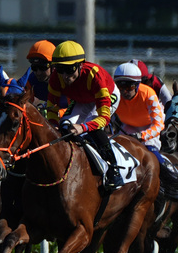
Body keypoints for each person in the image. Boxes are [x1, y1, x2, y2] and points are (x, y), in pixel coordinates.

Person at [47, 40, 123, 189]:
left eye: (69, 70)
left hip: (106, 96)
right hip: (82, 99)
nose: (64, 76)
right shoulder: (56, 78)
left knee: (93, 127)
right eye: (59, 70)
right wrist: (54, 126)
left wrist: (83, 127)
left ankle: (114, 168)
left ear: (81, 65)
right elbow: (52, 110)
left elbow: (104, 119)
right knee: (64, 126)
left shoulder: (95, 76)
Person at [111, 63, 178, 194]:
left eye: (129, 86)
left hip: (148, 128)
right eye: (120, 86)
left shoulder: (148, 93)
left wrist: (142, 136)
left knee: (151, 153)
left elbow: (158, 125)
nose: (124, 91)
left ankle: (170, 180)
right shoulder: (114, 94)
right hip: (127, 127)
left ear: (137, 85)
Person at [9, 40, 68, 111]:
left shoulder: (66, 79)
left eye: (42, 67)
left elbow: (77, 107)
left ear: (54, 66)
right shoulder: (31, 81)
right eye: (34, 68)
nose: (38, 73)